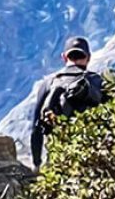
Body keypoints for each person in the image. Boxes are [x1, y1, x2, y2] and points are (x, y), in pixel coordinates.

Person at [30, 36, 104, 170]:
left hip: (59, 160)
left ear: (64, 57)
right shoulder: (96, 81)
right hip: (93, 160)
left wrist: (37, 164)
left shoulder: (49, 83)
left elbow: (36, 128)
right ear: (88, 57)